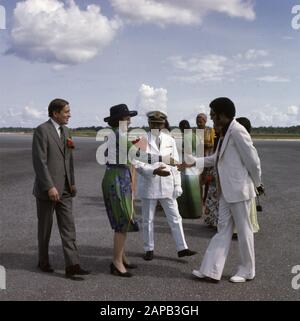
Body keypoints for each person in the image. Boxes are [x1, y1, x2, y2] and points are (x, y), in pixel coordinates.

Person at [178, 97, 263, 283]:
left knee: (244, 231)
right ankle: (211, 270)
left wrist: (258, 184)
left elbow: (253, 161)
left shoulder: (238, 131)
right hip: (227, 192)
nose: (211, 118)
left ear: (223, 114)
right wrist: (193, 161)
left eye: (213, 114)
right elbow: (216, 158)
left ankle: (248, 270)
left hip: (240, 191)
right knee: (222, 229)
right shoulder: (226, 132)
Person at [102, 104, 170, 277]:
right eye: (127, 118)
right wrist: (164, 158)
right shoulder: (119, 134)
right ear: (120, 121)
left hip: (117, 175)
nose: (130, 120)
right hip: (118, 177)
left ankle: (121, 256)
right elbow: (139, 155)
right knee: (122, 220)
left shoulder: (116, 134)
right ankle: (116, 262)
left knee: (122, 219)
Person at [32, 98, 90, 281]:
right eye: (66, 112)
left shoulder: (67, 131)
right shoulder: (42, 130)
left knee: (68, 227)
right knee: (45, 229)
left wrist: (72, 182)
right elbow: (39, 162)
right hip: (46, 190)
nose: (69, 115)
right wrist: (49, 186)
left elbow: (69, 159)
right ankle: (43, 261)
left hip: (65, 189)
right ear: (55, 113)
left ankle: (72, 266)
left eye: (69, 111)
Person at [136, 111, 197, 261]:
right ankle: (149, 248)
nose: (157, 126)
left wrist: (178, 184)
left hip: (167, 184)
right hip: (150, 184)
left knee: (176, 217)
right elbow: (138, 164)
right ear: (149, 124)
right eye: (154, 123)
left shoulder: (170, 139)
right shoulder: (141, 141)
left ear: (164, 124)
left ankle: (182, 248)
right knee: (148, 219)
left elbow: (175, 163)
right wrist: (153, 171)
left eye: (160, 124)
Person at [176, 120, 202, 219]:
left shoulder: (186, 136)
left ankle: (187, 213)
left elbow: (187, 151)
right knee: (195, 189)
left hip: (187, 164)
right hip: (195, 164)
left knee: (187, 191)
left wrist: (178, 148)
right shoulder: (195, 135)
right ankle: (197, 212)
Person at [196, 113, 215, 208]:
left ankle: (205, 199)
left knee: (207, 181)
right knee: (199, 181)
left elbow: (213, 144)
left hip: (208, 158)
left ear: (205, 121)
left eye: (200, 121)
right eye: (197, 121)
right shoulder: (194, 132)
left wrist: (203, 145)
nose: (198, 123)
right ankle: (199, 200)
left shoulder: (210, 130)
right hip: (198, 159)